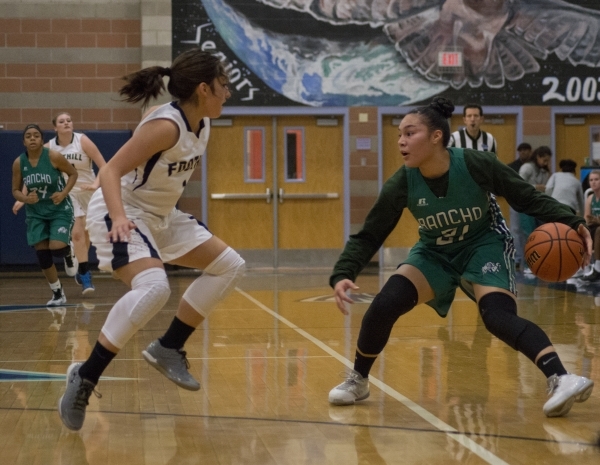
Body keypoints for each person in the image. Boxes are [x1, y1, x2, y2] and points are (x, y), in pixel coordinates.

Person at [327, 97, 594, 418]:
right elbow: (370, 234)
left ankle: (561, 377)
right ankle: (358, 380)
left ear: (436, 136)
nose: (401, 141)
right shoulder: (402, 181)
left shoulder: (475, 162)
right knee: (386, 302)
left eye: (410, 133)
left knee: (496, 316)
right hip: (435, 251)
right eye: (399, 134)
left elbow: (525, 197)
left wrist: (573, 220)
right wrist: (344, 272)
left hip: (484, 244)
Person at [57, 48, 245, 431]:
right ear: (204, 88)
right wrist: (121, 216)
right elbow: (109, 172)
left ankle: (169, 346)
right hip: (119, 210)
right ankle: (86, 376)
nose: (228, 92)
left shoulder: (202, 123)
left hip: (160, 215)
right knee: (154, 287)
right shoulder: (166, 126)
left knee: (230, 266)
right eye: (224, 85)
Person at [11, 124, 78, 306]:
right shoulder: (19, 162)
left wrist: (63, 193)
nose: (32, 138)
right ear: (23, 141)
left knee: (56, 248)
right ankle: (58, 293)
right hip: (36, 213)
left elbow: (73, 174)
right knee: (42, 254)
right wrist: (25, 198)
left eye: (36, 135)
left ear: (41, 140)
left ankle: (68, 251)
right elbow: (15, 191)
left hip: (58, 209)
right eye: (28, 136)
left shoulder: (53, 156)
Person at [47, 112, 106, 294]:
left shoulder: (82, 141)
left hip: (89, 192)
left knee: (86, 237)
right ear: (55, 127)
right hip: (68, 193)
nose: (66, 123)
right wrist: (22, 197)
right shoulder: (49, 148)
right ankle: (86, 275)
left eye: (69, 120)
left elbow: (104, 166)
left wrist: (96, 184)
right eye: (61, 121)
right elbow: (34, 167)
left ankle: (80, 267)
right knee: (78, 234)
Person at [518, 146, 553, 273]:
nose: (546, 163)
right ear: (537, 157)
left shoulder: (544, 171)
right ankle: (528, 264)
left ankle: (541, 262)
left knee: (542, 235)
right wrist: (535, 187)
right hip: (526, 206)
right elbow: (518, 184)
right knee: (529, 236)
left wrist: (549, 172)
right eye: (544, 160)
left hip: (539, 206)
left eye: (548, 160)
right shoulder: (527, 167)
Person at [507, 143, 533, 270]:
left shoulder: (535, 167)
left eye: (526, 150)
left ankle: (530, 258)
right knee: (516, 230)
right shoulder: (511, 167)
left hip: (530, 203)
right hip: (516, 202)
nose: (524, 153)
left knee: (529, 231)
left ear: (530, 152)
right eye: (521, 150)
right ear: (518, 152)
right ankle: (517, 258)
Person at [581, 170, 600, 281]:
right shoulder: (590, 198)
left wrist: (597, 220)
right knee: (581, 230)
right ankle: (583, 266)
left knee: (598, 230)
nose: (593, 182)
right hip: (595, 226)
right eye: (591, 180)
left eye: (596, 180)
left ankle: (598, 267)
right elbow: (586, 218)